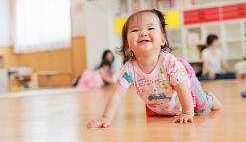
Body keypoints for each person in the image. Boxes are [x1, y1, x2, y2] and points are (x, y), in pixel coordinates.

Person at [87, 9, 222, 128]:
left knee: (201, 108)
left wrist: (187, 112)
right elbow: (117, 94)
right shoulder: (129, 69)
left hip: (185, 87)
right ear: (128, 45)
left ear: (162, 40)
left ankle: (210, 98)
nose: (143, 33)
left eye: (150, 28)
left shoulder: (169, 62)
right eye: (135, 30)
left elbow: (182, 88)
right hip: (163, 104)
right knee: (161, 115)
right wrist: (106, 117)